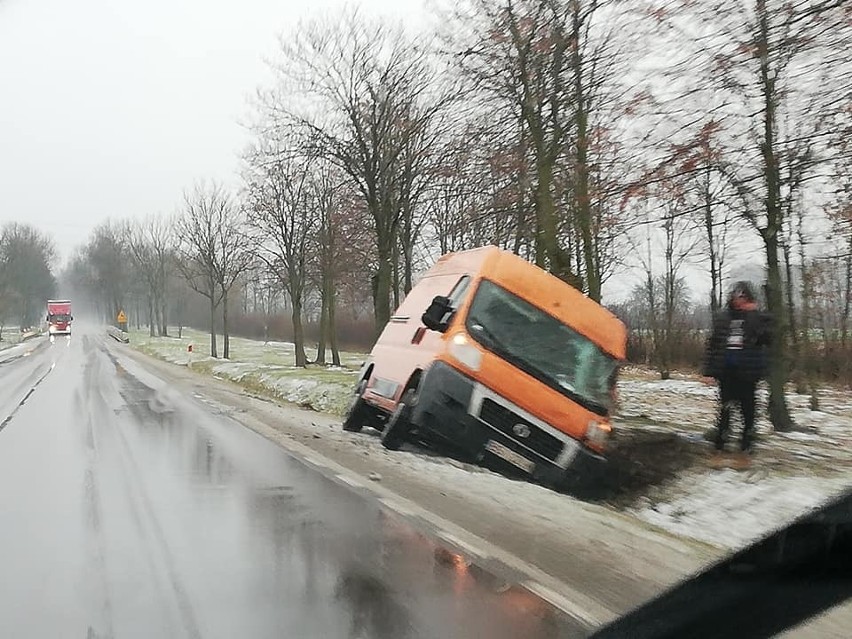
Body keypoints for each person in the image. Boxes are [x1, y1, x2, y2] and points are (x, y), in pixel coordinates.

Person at [702, 281, 771, 468]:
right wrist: (709, 372)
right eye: (736, 296)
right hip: (727, 372)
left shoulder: (758, 317)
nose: (738, 300)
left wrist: (753, 314)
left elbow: (766, 338)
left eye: (742, 297)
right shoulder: (723, 318)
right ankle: (720, 444)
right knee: (725, 409)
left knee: (748, 411)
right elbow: (714, 345)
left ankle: (746, 447)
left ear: (749, 298)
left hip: (748, 372)